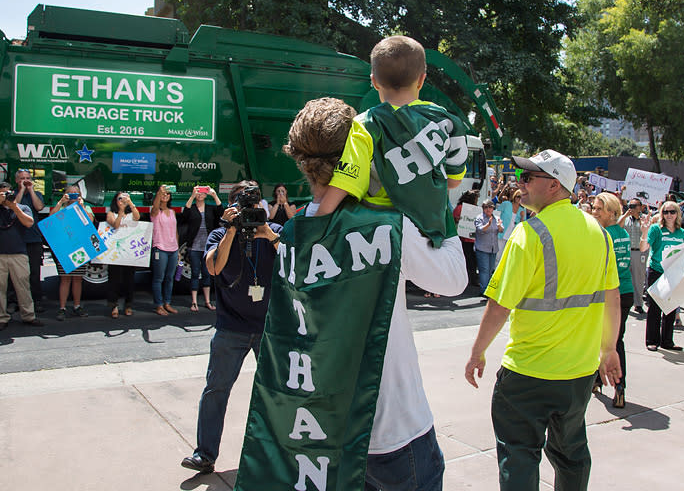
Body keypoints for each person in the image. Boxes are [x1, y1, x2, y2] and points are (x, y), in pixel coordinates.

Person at [244, 97, 466, 490]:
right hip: (395, 429)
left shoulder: (293, 233)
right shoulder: (387, 224)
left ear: (300, 160)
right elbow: (453, 281)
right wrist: (434, 201)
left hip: (323, 436)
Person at [465, 149, 621, 491]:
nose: (520, 185)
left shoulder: (530, 233)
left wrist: (477, 352)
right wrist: (609, 349)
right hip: (578, 374)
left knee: (519, 456)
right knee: (572, 454)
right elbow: (611, 298)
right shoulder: (599, 234)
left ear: (553, 186)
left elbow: (500, 306)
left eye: (527, 178)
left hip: (527, 373)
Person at [315, 35, 468, 248]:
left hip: (382, 234)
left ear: (374, 81)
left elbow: (347, 182)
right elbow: (453, 181)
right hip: (430, 234)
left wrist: (316, 224)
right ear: (422, 79)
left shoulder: (366, 124)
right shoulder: (447, 120)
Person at [181, 181, 282, 474]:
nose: (249, 208)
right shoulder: (220, 233)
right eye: (242, 203)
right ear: (230, 206)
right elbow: (213, 268)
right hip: (231, 327)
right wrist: (232, 229)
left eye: (253, 202)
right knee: (216, 390)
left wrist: (267, 234)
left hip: (269, 327)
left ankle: (279, 453)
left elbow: (294, 262)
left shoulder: (272, 228)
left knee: (276, 392)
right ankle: (205, 454)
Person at [591, 192, 633, 408]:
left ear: (612, 212)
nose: (594, 212)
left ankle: (613, 383)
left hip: (610, 293)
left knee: (608, 341)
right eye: (594, 208)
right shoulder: (623, 233)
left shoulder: (603, 235)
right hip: (626, 291)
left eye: (599, 209)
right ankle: (608, 383)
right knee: (614, 339)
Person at [640, 200, 684, 351]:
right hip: (657, 271)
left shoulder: (682, 233)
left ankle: (667, 341)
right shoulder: (656, 229)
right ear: (661, 214)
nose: (669, 215)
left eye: (672, 212)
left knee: (671, 308)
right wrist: (644, 233)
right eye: (666, 212)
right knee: (655, 308)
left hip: (673, 273)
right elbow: (644, 248)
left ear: (677, 214)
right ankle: (652, 341)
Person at [0, 182, 44, 329]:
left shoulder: (22, 208)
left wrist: (14, 207)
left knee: (23, 287)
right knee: (0, 288)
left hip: (19, 253)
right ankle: (2, 318)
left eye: (8, 193)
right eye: (3, 193)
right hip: (1, 255)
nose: (6, 196)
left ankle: (28, 316)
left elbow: (29, 223)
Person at [51, 185, 95, 320]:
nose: (73, 196)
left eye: (76, 193)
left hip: (79, 248)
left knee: (77, 279)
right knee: (64, 279)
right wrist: (60, 202)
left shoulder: (85, 208)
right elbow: (50, 219)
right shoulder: (62, 208)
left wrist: (81, 206)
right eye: (70, 193)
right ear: (65, 195)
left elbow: (90, 222)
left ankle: (77, 306)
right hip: (64, 247)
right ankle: (62, 308)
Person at [183, 186, 223, 312]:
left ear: (206, 195)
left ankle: (207, 301)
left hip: (207, 247)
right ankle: (194, 302)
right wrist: (192, 196)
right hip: (194, 247)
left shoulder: (210, 208)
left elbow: (221, 212)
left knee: (207, 274)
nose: (200, 194)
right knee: (195, 273)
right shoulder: (192, 208)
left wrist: (214, 195)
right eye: (198, 192)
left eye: (202, 192)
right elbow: (185, 214)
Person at [14, 169, 46, 310]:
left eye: (27, 178)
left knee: (34, 272)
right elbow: (15, 206)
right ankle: (15, 301)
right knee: (16, 275)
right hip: (17, 239)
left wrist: (31, 190)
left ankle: (36, 300)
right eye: (22, 178)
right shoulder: (13, 194)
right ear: (16, 181)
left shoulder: (37, 194)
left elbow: (39, 207)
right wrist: (21, 190)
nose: (25, 180)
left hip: (34, 239)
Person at [106, 192, 141, 318]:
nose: (122, 201)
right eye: (120, 199)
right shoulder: (111, 214)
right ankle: (114, 305)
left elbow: (137, 218)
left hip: (129, 252)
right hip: (115, 252)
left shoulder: (131, 214)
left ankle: (128, 305)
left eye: (124, 198)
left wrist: (130, 203)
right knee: (114, 280)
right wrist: (120, 211)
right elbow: (115, 225)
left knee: (129, 280)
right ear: (115, 201)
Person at [150, 185, 179, 316]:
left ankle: (167, 303)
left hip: (173, 249)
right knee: (158, 278)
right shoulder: (155, 212)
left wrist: (177, 248)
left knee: (169, 278)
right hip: (160, 248)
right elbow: (155, 206)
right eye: (163, 194)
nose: (165, 196)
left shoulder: (172, 212)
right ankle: (159, 305)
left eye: (167, 194)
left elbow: (176, 231)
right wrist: (159, 192)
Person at [619, 198, 647, 314]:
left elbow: (645, 231)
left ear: (640, 207)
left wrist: (641, 220)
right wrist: (625, 215)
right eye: (630, 206)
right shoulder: (625, 219)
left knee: (638, 279)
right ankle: (624, 302)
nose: (632, 208)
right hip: (626, 251)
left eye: (634, 206)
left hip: (639, 252)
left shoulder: (644, 218)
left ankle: (638, 303)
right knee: (625, 278)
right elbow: (618, 226)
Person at [474, 199, 503, 292]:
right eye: (486, 207)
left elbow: (501, 230)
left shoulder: (496, 218)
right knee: (484, 270)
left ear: (493, 208)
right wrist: (488, 224)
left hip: (493, 248)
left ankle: (489, 290)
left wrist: (499, 226)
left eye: (490, 207)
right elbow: (480, 229)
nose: (488, 209)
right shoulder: (479, 218)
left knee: (490, 270)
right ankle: (484, 290)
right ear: (483, 208)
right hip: (482, 248)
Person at [453, 189, 480, 288]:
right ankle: (467, 279)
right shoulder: (460, 208)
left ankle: (473, 279)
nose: (477, 200)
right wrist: (458, 219)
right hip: (464, 239)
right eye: (476, 198)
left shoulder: (476, 209)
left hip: (473, 239)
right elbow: (454, 219)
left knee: (473, 260)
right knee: (466, 259)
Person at [496, 188, 525, 265]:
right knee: (498, 255)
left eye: (521, 197)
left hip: (512, 235)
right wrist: (499, 224)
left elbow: (523, 225)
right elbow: (496, 214)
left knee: (506, 256)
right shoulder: (506, 204)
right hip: (502, 232)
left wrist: (522, 217)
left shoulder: (522, 210)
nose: (519, 199)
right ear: (514, 196)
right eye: (518, 196)